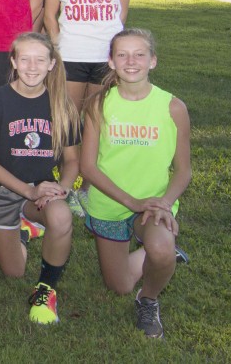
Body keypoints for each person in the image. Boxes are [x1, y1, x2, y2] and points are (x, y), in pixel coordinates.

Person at [80, 28, 192, 339]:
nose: (131, 61)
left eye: (139, 54)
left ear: (153, 61)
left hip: (154, 204)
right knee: (119, 285)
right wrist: (132, 203)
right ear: (111, 62)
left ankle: (149, 299)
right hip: (110, 203)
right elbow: (87, 167)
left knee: (159, 248)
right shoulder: (97, 104)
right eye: (122, 55)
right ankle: (163, 255)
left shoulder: (173, 107)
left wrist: (164, 203)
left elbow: (183, 170)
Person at [0, 33, 81, 325]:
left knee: (60, 216)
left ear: (51, 65)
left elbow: (72, 160)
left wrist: (62, 189)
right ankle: (23, 230)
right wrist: (28, 191)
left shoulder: (62, 105)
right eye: (24, 59)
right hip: (1, 191)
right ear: (13, 62)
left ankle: (46, 289)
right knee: (13, 271)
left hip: (40, 192)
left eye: (40, 60)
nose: (32, 67)